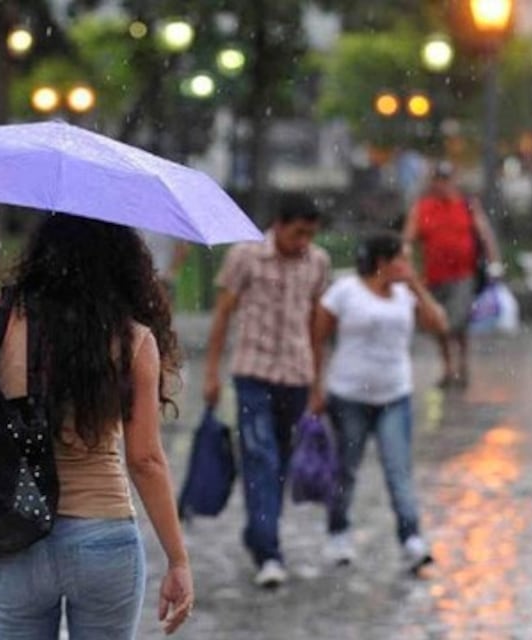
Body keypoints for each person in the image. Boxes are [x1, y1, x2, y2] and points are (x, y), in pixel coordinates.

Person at [0, 215, 194, 638]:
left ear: (43, 249)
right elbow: (145, 460)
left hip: (16, 531)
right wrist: (178, 560)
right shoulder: (134, 339)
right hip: (103, 537)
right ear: (122, 259)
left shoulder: (6, 313)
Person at [203, 193, 331, 588]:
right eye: (298, 233)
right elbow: (223, 313)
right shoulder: (245, 256)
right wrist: (211, 372)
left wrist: (317, 383)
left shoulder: (318, 262)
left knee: (281, 464)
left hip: (296, 376)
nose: (303, 242)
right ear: (279, 225)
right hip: (253, 375)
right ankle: (269, 551)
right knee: (260, 458)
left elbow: (316, 325)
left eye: (310, 234)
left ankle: (259, 532)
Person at [312, 232, 447, 572]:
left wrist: (416, 286)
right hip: (349, 395)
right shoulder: (346, 291)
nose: (408, 265)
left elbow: (438, 324)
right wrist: (316, 387)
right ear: (382, 261)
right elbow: (318, 336)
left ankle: (411, 537)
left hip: (394, 395)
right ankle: (338, 532)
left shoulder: (405, 295)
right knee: (347, 468)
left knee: (398, 469)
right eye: (403, 259)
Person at [403, 160, 502, 388]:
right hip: (434, 275)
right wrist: (409, 266)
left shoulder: (467, 205)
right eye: (439, 180)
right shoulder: (423, 208)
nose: (443, 185)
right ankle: (448, 366)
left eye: (446, 180)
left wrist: (494, 261)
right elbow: (409, 239)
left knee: (457, 321)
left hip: (463, 275)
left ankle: (462, 363)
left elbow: (484, 233)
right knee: (440, 324)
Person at [142, 230, 190, 302]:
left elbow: (183, 247)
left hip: (164, 276)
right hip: (147, 275)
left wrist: (172, 269)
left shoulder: (172, 226)